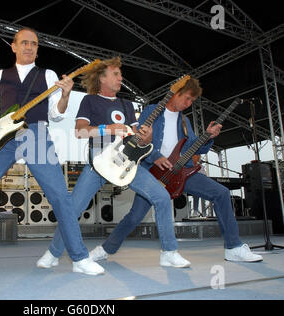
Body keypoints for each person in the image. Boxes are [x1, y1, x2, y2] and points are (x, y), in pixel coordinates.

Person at [0, 28, 105, 277]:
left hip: (36, 134)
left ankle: (79, 257)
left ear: (38, 49)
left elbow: (56, 113)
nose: (30, 47)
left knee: (60, 195)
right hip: (3, 139)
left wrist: (65, 94)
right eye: (24, 43)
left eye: (34, 44)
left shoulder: (47, 75)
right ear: (14, 46)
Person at [37, 57, 192, 269]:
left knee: (162, 197)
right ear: (102, 77)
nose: (121, 78)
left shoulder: (126, 104)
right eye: (116, 74)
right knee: (72, 210)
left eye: (121, 74)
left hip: (127, 164)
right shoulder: (90, 101)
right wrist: (108, 128)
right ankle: (54, 253)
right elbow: (80, 131)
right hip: (99, 164)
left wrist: (146, 136)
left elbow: (139, 137)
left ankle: (169, 252)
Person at [89, 78, 263, 263]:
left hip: (181, 171)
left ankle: (233, 248)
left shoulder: (185, 121)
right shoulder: (152, 111)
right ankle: (104, 249)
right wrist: (155, 156)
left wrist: (209, 137)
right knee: (134, 217)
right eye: (187, 98)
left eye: (192, 102)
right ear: (176, 93)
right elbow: (138, 140)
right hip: (153, 172)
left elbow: (197, 148)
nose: (188, 104)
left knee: (221, 193)